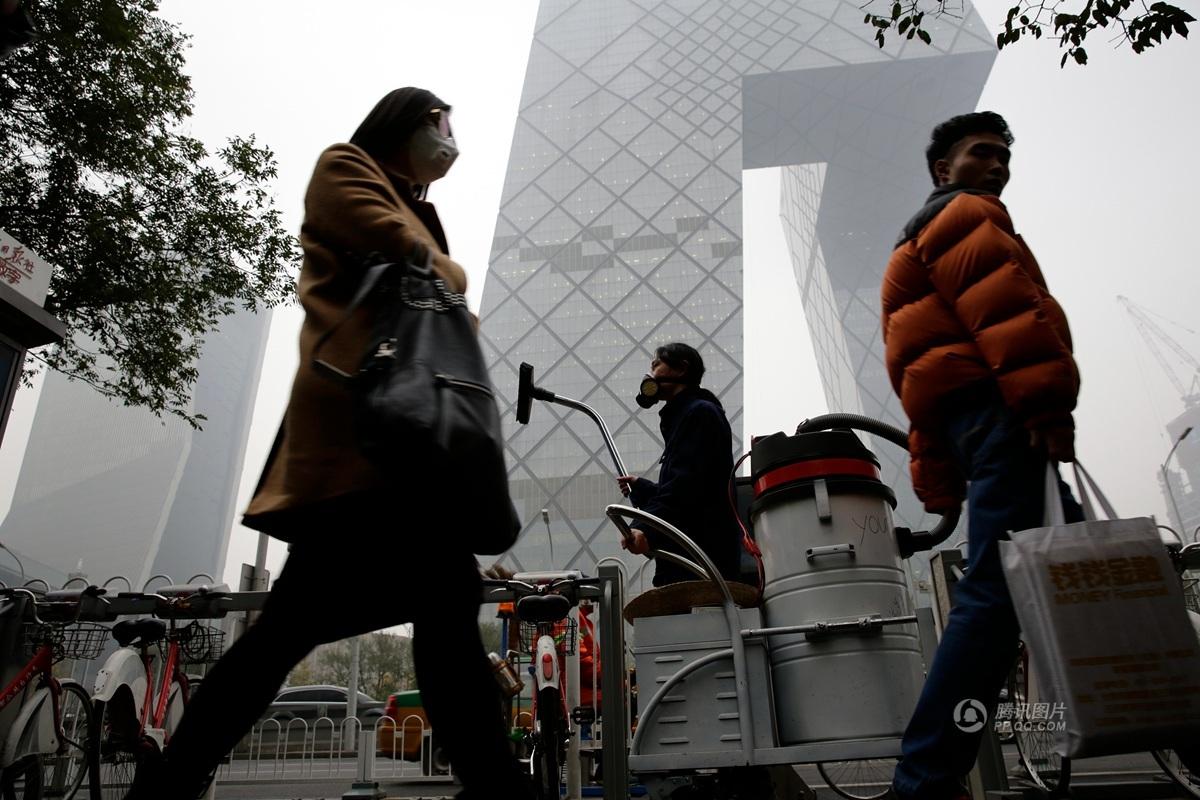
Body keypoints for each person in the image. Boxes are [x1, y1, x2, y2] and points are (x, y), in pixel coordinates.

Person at [126, 88, 530, 800]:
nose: (450, 139)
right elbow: (394, 242)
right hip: (361, 438)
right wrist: (447, 271)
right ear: (407, 122)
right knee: (394, 611)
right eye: (441, 123)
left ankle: (170, 784)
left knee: (386, 613)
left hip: (397, 452)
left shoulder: (417, 207)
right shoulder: (346, 167)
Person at [880, 111, 1083, 799]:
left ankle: (1165, 716)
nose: (997, 166)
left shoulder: (913, 244)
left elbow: (919, 374)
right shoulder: (965, 216)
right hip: (1008, 418)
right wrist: (1047, 405)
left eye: (1004, 156)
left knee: (1085, 576)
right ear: (945, 169)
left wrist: (938, 470)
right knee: (998, 596)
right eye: (982, 153)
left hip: (982, 426)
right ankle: (924, 779)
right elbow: (1011, 317)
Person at [617, 342, 742, 586]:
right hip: (693, 560)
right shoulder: (686, 417)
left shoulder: (699, 413)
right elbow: (693, 488)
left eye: (656, 365)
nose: (651, 373)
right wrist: (642, 487)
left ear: (681, 369)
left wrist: (645, 528)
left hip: (699, 565)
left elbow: (684, 488)